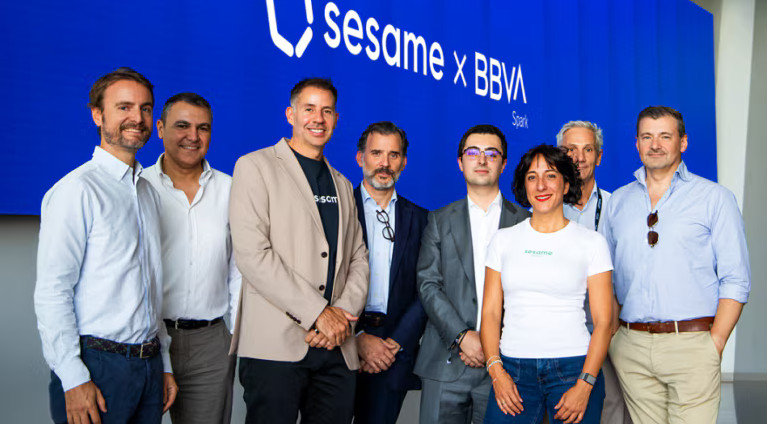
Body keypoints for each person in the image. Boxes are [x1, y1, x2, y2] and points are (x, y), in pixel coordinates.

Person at [34, 67, 177, 424]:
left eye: (145, 108)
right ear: (97, 115)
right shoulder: (76, 191)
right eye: (124, 107)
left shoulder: (147, 193)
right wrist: (73, 377)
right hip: (96, 367)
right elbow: (53, 291)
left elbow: (151, 288)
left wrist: (164, 364)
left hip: (149, 366)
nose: (137, 118)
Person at [229, 77, 369, 424]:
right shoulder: (254, 166)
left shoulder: (342, 183)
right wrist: (318, 313)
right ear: (291, 114)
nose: (318, 119)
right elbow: (253, 255)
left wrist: (340, 317)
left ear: (336, 119)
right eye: (309, 109)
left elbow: (358, 258)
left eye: (326, 111)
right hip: (275, 345)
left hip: (336, 347)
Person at [602, 106, 751, 424]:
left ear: (683, 142)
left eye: (665, 137)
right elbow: (608, 278)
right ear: (637, 143)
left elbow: (736, 279)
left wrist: (715, 343)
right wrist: (615, 339)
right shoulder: (618, 202)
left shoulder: (715, 198)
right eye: (647, 137)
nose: (655, 145)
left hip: (693, 345)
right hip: (631, 348)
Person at [481, 144, 612, 424]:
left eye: (550, 175)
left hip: (574, 368)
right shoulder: (503, 240)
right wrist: (496, 373)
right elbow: (490, 313)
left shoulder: (592, 243)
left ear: (566, 184)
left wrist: (585, 383)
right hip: (512, 369)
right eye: (532, 177)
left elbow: (604, 322)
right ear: (524, 185)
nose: (541, 185)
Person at [415, 124, 530, 424]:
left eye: (491, 154)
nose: (482, 160)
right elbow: (428, 284)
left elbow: (530, 292)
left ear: (504, 163)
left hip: (505, 365)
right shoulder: (438, 220)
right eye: (473, 153)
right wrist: (462, 336)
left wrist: (492, 344)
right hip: (445, 360)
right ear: (460, 162)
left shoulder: (525, 222)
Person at [143, 92, 241, 424]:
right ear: (160, 128)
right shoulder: (139, 187)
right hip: (146, 340)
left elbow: (239, 271)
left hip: (210, 344)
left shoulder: (231, 189)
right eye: (182, 126)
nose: (193, 136)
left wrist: (236, 335)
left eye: (203, 128)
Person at [352, 121, 429, 424]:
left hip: (393, 351)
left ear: (404, 162)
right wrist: (357, 337)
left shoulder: (422, 220)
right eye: (376, 153)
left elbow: (427, 289)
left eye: (393, 155)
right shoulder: (338, 209)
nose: (384, 163)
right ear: (360, 158)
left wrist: (395, 343)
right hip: (341, 343)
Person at [556, 121, 631, 424]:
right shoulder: (542, 211)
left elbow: (631, 270)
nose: (579, 158)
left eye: (587, 150)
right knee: (561, 405)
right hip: (560, 329)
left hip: (611, 327)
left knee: (614, 403)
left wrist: (616, 315)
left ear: (599, 157)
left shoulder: (619, 208)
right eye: (570, 150)